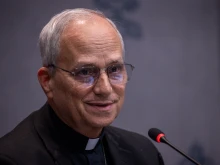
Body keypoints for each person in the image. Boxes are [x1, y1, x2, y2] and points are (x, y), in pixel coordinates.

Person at [0, 8, 164, 165]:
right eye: (85, 72)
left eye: (114, 69)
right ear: (47, 81)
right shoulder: (10, 159)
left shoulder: (143, 154)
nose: (105, 89)